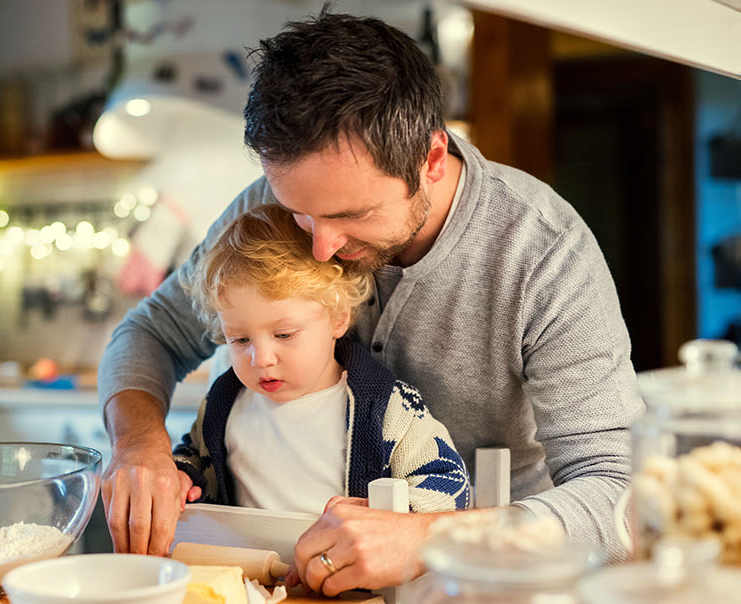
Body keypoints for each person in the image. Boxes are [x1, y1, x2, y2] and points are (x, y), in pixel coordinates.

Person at [96, 9, 642, 597]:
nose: (322, 245)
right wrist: (138, 443)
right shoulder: (266, 208)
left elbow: (620, 496)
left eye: (351, 215)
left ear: (431, 160)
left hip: (492, 580)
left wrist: (433, 537)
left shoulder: (543, 252)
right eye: (301, 213)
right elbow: (149, 333)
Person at [171, 203, 470, 517]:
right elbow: (193, 459)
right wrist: (182, 477)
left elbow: (450, 484)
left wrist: (390, 517)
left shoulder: (389, 408)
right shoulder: (222, 402)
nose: (261, 359)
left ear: (339, 318)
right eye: (240, 339)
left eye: (284, 334)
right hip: (249, 564)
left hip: (349, 562)